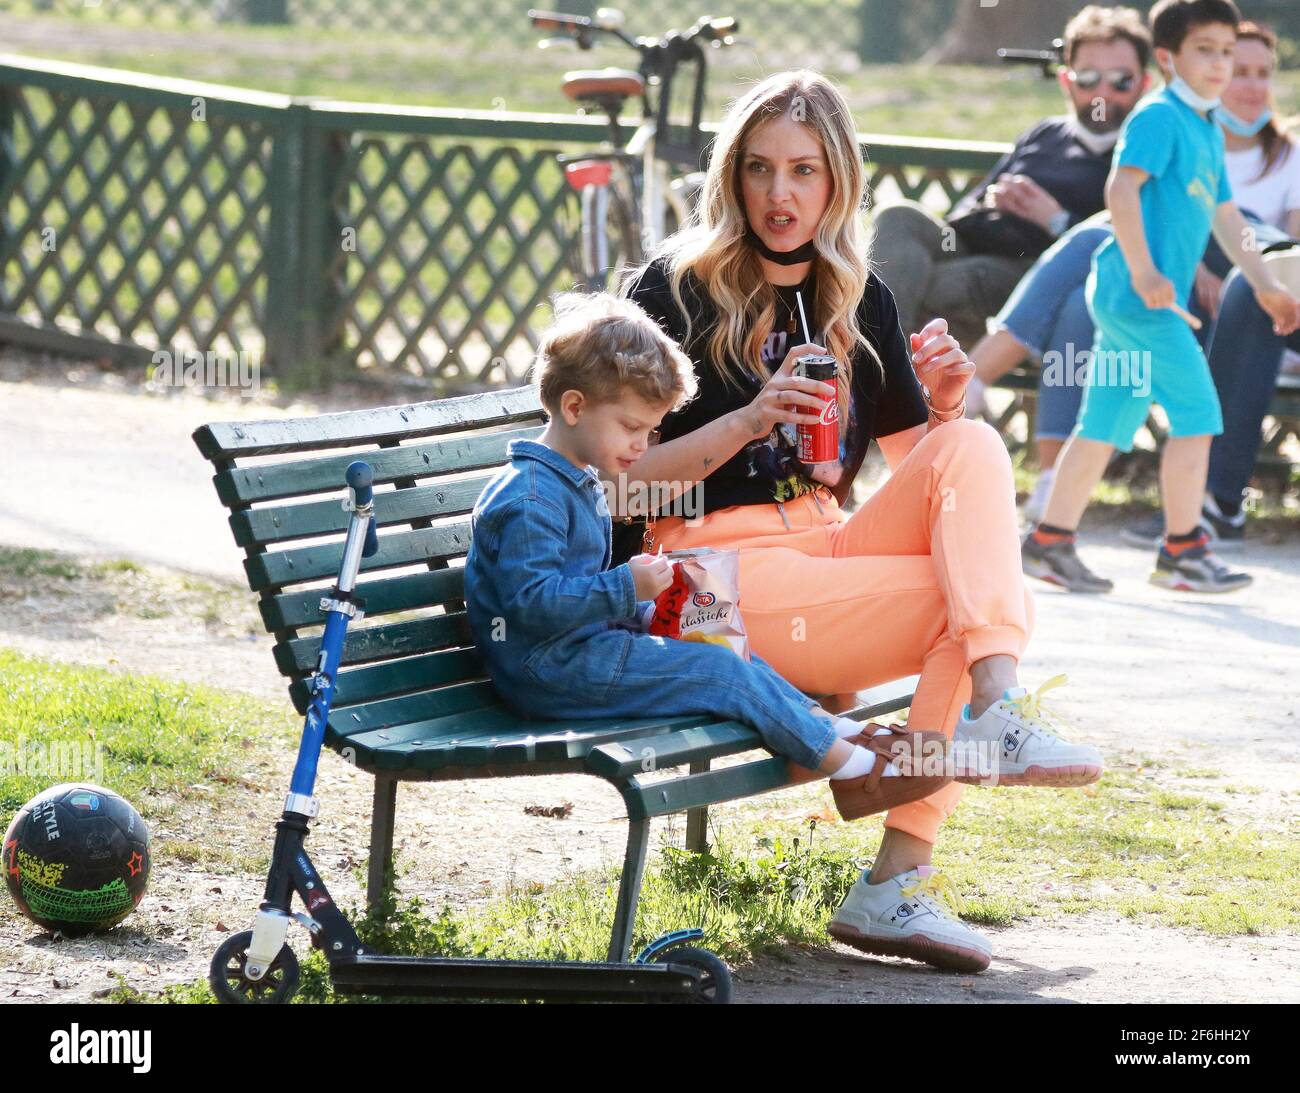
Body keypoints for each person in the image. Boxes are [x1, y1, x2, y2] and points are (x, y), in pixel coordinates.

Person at [620, 69, 1103, 975]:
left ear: (837, 180)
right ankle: (898, 877)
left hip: (824, 545)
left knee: (976, 455)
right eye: (759, 170)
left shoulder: (859, 296)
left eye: (804, 171)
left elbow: (937, 488)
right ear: (731, 176)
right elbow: (620, 488)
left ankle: (992, 709)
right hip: (709, 575)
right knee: (969, 606)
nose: (779, 194)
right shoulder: (673, 293)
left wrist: (950, 407)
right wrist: (748, 420)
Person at [462, 292, 954, 834]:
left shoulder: (572, 480)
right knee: (720, 672)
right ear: (574, 407)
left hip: (579, 652)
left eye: (651, 432)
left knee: (722, 642)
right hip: (548, 673)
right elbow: (530, 606)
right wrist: (627, 587)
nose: (642, 446)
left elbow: (572, 593)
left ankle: (835, 733)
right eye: (631, 429)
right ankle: (858, 771)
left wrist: (649, 611)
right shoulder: (532, 499)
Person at [968, 21, 1300, 539]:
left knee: (1120, 409)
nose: (1242, 79)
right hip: (1148, 295)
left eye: (1256, 70)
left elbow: (1273, 246)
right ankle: (1161, 543)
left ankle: (1060, 525)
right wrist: (1179, 267)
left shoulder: (1276, 152)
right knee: (1174, 400)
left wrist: (1250, 282)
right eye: (1225, 61)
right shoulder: (1179, 127)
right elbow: (1141, 202)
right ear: (1178, 64)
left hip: (1216, 300)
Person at [869, 5, 1152, 350]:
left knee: (949, 284)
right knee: (897, 214)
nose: (1103, 94)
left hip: (1036, 269)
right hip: (971, 244)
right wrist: (994, 200)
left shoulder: (1142, 152)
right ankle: (882, 374)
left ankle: (878, 377)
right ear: (1067, 80)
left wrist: (1055, 220)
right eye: (1089, 78)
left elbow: (1129, 247)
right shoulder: (1045, 133)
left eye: (1121, 81)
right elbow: (968, 207)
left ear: (1143, 84)